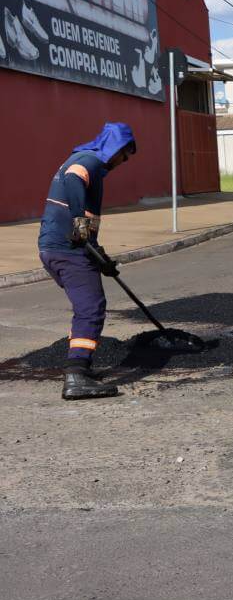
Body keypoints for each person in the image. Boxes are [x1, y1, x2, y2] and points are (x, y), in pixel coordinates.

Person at [38, 123, 137, 400]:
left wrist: (98, 254)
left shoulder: (84, 159)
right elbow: (73, 179)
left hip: (58, 248)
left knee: (87, 306)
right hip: (67, 250)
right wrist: (81, 232)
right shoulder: (88, 162)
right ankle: (76, 375)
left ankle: (80, 368)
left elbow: (85, 226)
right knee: (90, 308)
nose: (123, 161)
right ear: (114, 147)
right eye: (124, 154)